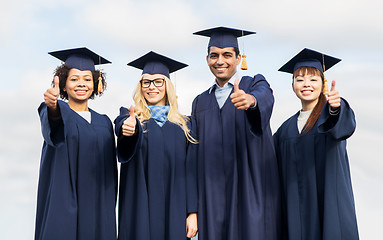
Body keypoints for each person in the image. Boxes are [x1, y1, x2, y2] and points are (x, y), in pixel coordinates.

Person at [192, 27, 281, 240]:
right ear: (207, 59)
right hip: (212, 198)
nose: (220, 61)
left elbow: (265, 97)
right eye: (214, 55)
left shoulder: (254, 84)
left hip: (249, 190)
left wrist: (251, 101)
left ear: (239, 58)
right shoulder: (200, 102)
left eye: (227, 55)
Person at [274, 48, 359, 239]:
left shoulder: (330, 114)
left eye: (313, 79)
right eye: (300, 79)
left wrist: (336, 108)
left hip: (329, 208)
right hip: (295, 214)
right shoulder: (285, 129)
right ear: (293, 84)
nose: (306, 84)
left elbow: (343, 125)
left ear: (323, 84)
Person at [114, 51, 198, 240]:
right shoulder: (131, 118)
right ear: (140, 86)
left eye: (158, 81)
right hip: (138, 208)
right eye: (146, 82)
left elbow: (191, 171)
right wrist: (128, 129)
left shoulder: (185, 125)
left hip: (174, 208)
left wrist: (193, 212)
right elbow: (122, 130)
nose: (152, 87)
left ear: (167, 85)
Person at [35, 47, 117, 240]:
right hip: (63, 202)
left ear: (96, 83)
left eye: (87, 79)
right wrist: (53, 106)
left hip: (98, 205)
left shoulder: (104, 122)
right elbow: (53, 124)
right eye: (74, 79)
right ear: (63, 85)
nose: (81, 84)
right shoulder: (59, 112)